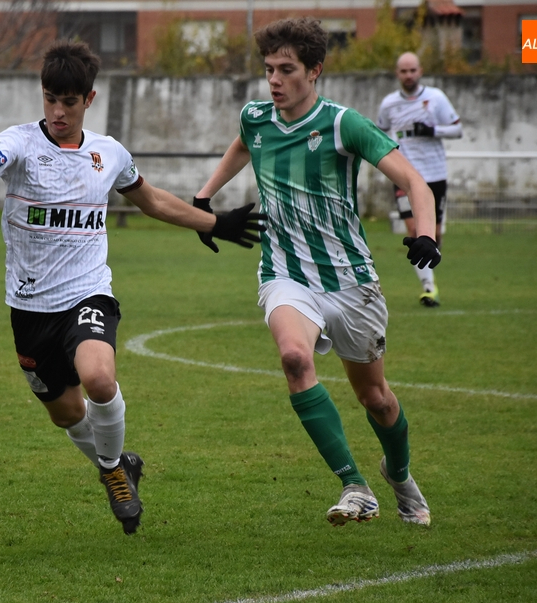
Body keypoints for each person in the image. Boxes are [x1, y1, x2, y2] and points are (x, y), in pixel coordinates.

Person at [0, 40, 265, 535]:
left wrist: (212, 222)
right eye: (50, 98)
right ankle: (116, 467)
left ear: (89, 100)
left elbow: (153, 201)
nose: (57, 111)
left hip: (87, 293)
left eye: (69, 101)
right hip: (29, 308)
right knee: (68, 414)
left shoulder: (108, 153)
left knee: (99, 379)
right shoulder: (18, 144)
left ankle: (113, 472)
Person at [194, 18, 439, 527]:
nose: (275, 81)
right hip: (285, 272)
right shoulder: (257, 117)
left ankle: (400, 474)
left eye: (287, 70)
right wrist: (205, 194)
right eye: (269, 70)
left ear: (315, 71)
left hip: (351, 280)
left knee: (376, 398)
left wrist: (426, 235)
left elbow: (416, 181)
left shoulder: (342, 124)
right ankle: (355, 485)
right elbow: (244, 143)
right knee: (293, 358)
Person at [376, 51, 462, 307]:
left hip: (435, 175)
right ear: (397, 74)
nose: (408, 75)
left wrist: (433, 130)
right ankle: (428, 287)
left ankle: (429, 273)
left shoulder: (435, 98)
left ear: (420, 71)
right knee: (415, 231)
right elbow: (378, 135)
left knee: (433, 234)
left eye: (412, 70)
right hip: (404, 176)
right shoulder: (388, 104)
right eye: (403, 71)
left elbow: (458, 128)